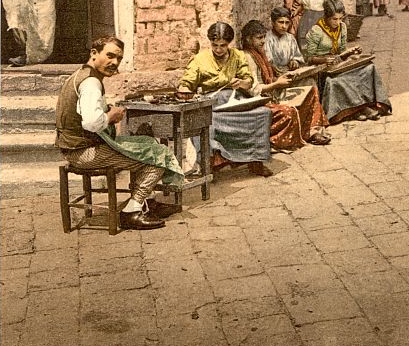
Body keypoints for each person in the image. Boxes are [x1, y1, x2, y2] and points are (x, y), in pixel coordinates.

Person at [56, 36, 183, 230]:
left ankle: (147, 202)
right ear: (94, 53)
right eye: (110, 55)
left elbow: (83, 113)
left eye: (119, 59)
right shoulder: (90, 83)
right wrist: (112, 116)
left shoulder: (81, 75)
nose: (114, 62)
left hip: (77, 147)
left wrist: (106, 110)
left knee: (147, 143)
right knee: (159, 156)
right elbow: (91, 122)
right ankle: (131, 212)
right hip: (82, 153)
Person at [177, 22, 272, 176]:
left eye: (223, 45)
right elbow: (186, 83)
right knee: (209, 122)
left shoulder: (238, 56)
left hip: (235, 102)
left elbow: (248, 81)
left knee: (263, 114)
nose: (219, 49)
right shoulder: (200, 59)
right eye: (215, 45)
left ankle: (256, 161)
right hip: (212, 105)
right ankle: (210, 165)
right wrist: (185, 91)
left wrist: (241, 83)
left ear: (229, 43)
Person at [241, 19, 331, 148]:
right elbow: (254, 90)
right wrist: (277, 84)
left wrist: (281, 78)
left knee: (310, 88)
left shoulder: (260, 53)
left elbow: (269, 77)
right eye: (259, 38)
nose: (263, 41)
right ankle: (303, 134)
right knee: (291, 108)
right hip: (262, 100)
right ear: (249, 40)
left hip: (272, 92)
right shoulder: (247, 57)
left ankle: (312, 131)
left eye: (264, 37)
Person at [305, 0, 391, 124]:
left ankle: (362, 107)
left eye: (340, 18)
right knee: (337, 81)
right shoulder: (316, 31)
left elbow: (341, 51)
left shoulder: (342, 27)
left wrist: (351, 52)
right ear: (326, 17)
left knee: (368, 69)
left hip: (337, 64)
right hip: (322, 69)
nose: (338, 22)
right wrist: (324, 59)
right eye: (334, 19)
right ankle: (353, 111)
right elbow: (309, 58)